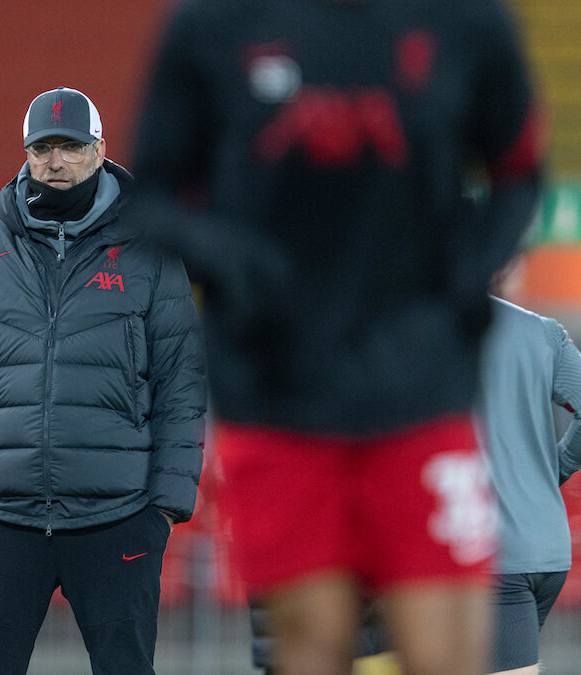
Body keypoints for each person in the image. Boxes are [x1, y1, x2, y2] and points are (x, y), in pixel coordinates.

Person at [128, 1, 545, 674]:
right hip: (279, 392)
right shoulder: (211, 26)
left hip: (420, 386)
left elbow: (519, 170)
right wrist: (233, 264)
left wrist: (465, 280)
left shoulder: (466, 21)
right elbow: (149, 197)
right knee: (311, 647)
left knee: (448, 656)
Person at [0, 86, 206, 675]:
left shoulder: (149, 252)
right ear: (25, 155)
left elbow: (182, 381)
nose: (56, 161)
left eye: (70, 146)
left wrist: (165, 507)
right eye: (43, 147)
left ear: (100, 151)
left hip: (118, 514)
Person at [476, 296, 581, 674]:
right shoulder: (541, 330)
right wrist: (553, 470)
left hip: (495, 554)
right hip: (548, 549)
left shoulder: (432, 329)